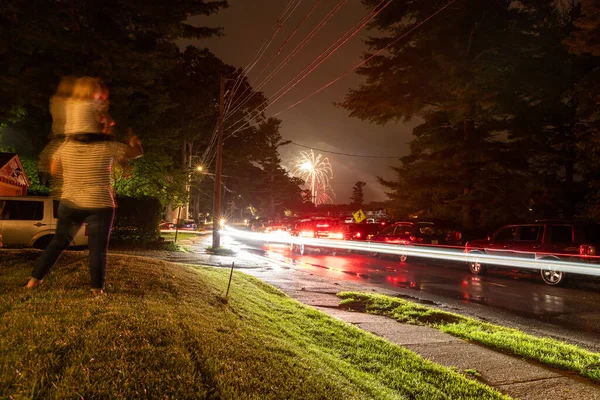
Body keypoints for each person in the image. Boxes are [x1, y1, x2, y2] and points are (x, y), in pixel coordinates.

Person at [26, 76, 143, 296]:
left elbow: (53, 170)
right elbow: (137, 153)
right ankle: (96, 290)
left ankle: (34, 281)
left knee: (58, 242)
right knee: (97, 249)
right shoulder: (109, 147)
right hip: (100, 204)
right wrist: (135, 139)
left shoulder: (65, 147)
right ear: (98, 126)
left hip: (70, 202)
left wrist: (74, 174)